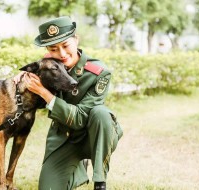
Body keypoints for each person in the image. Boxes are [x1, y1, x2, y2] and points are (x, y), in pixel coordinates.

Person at [13, 16, 123, 190]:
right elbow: (30, 79)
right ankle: (77, 168)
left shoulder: (99, 73)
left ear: (76, 40)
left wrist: (44, 92)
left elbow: (79, 118)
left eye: (66, 46)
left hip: (93, 135)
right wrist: (22, 79)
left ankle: (100, 182)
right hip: (63, 138)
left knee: (101, 113)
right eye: (54, 49)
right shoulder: (48, 67)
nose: (62, 54)